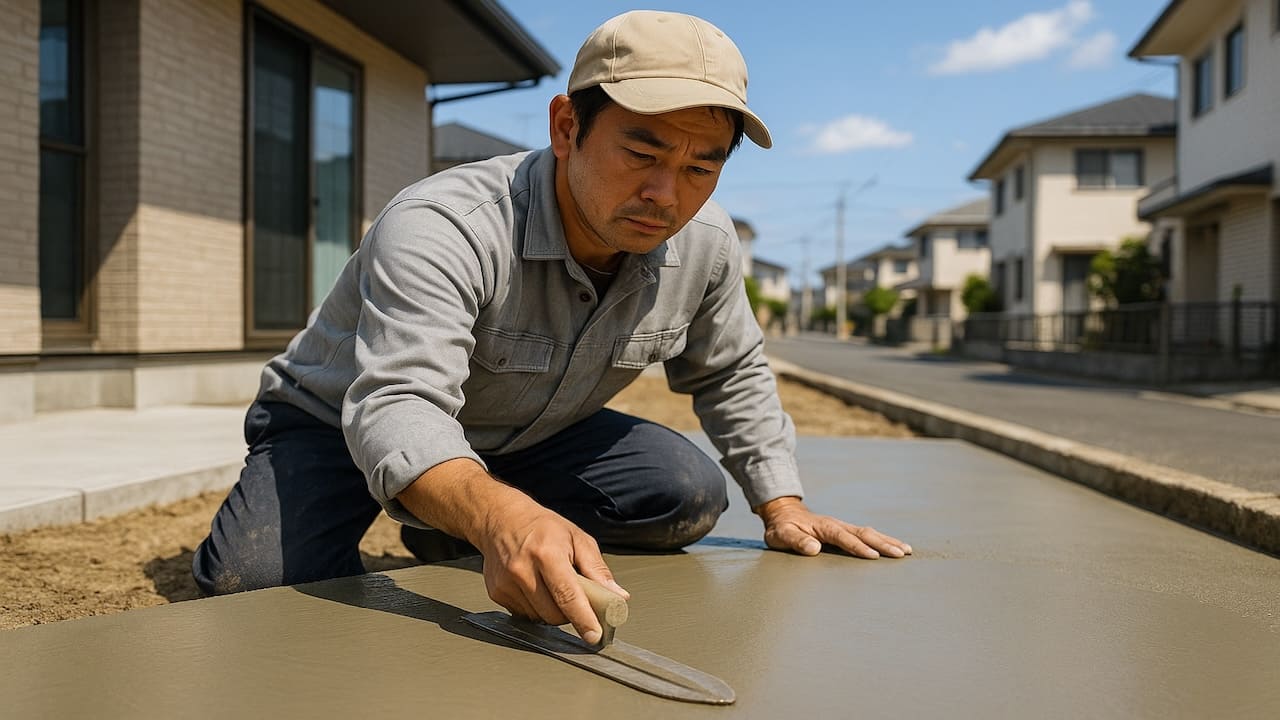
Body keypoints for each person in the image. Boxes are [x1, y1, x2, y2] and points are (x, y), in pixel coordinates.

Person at [193, 9, 911, 645]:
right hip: (340, 423)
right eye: (643, 153)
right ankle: (470, 514)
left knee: (686, 492)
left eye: (701, 166)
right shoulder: (445, 226)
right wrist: (500, 514)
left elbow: (730, 371)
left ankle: (452, 522)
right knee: (257, 585)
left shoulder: (707, 245)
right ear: (567, 126)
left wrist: (783, 505)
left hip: (525, 436)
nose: (666, 194)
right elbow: (398, 404)